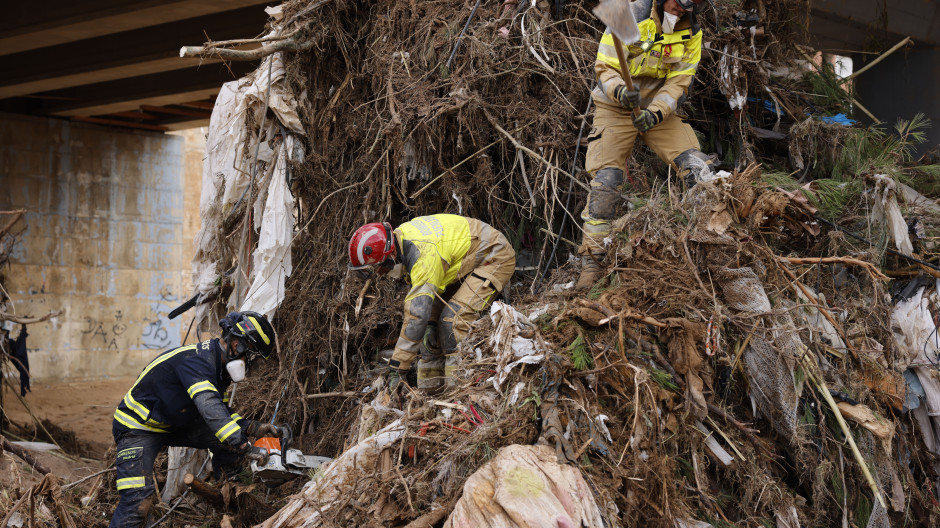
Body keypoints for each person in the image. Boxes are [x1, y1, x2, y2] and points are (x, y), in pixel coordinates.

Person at [576, 0, 713, 290]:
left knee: (697, 168)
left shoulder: (692, 32)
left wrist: (656, 113)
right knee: (606, 182)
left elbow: (679, 83)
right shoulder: (629, 13)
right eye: (681, 0)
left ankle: (707, 249)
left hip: (658, 112)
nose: (685, 8)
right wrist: (619, 91)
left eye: (694, 3)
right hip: (616, 107)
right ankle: (592, 263)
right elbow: (605, 68)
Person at [109, 311, 285, 528]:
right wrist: (244, 445)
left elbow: (219, 411)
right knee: (139, 501)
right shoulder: (197, 362)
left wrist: (253, 427)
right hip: (137, 428)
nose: (250, 364)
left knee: (226, 440)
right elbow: (210, 409)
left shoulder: (218, 367)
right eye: (251, 357)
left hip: (174, 423)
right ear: (236, 343)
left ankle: (233, 501)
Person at [348, 215, 516, 393]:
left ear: (390, 254)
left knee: (452, 322)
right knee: (430, 333)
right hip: (461, 260)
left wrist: (398, 368)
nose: (382, 274)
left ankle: (458, 392)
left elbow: (417, 315)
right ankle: (430, 397)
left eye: (381, 268)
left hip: (494, 255)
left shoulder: (422, 254)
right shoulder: (403, 240)